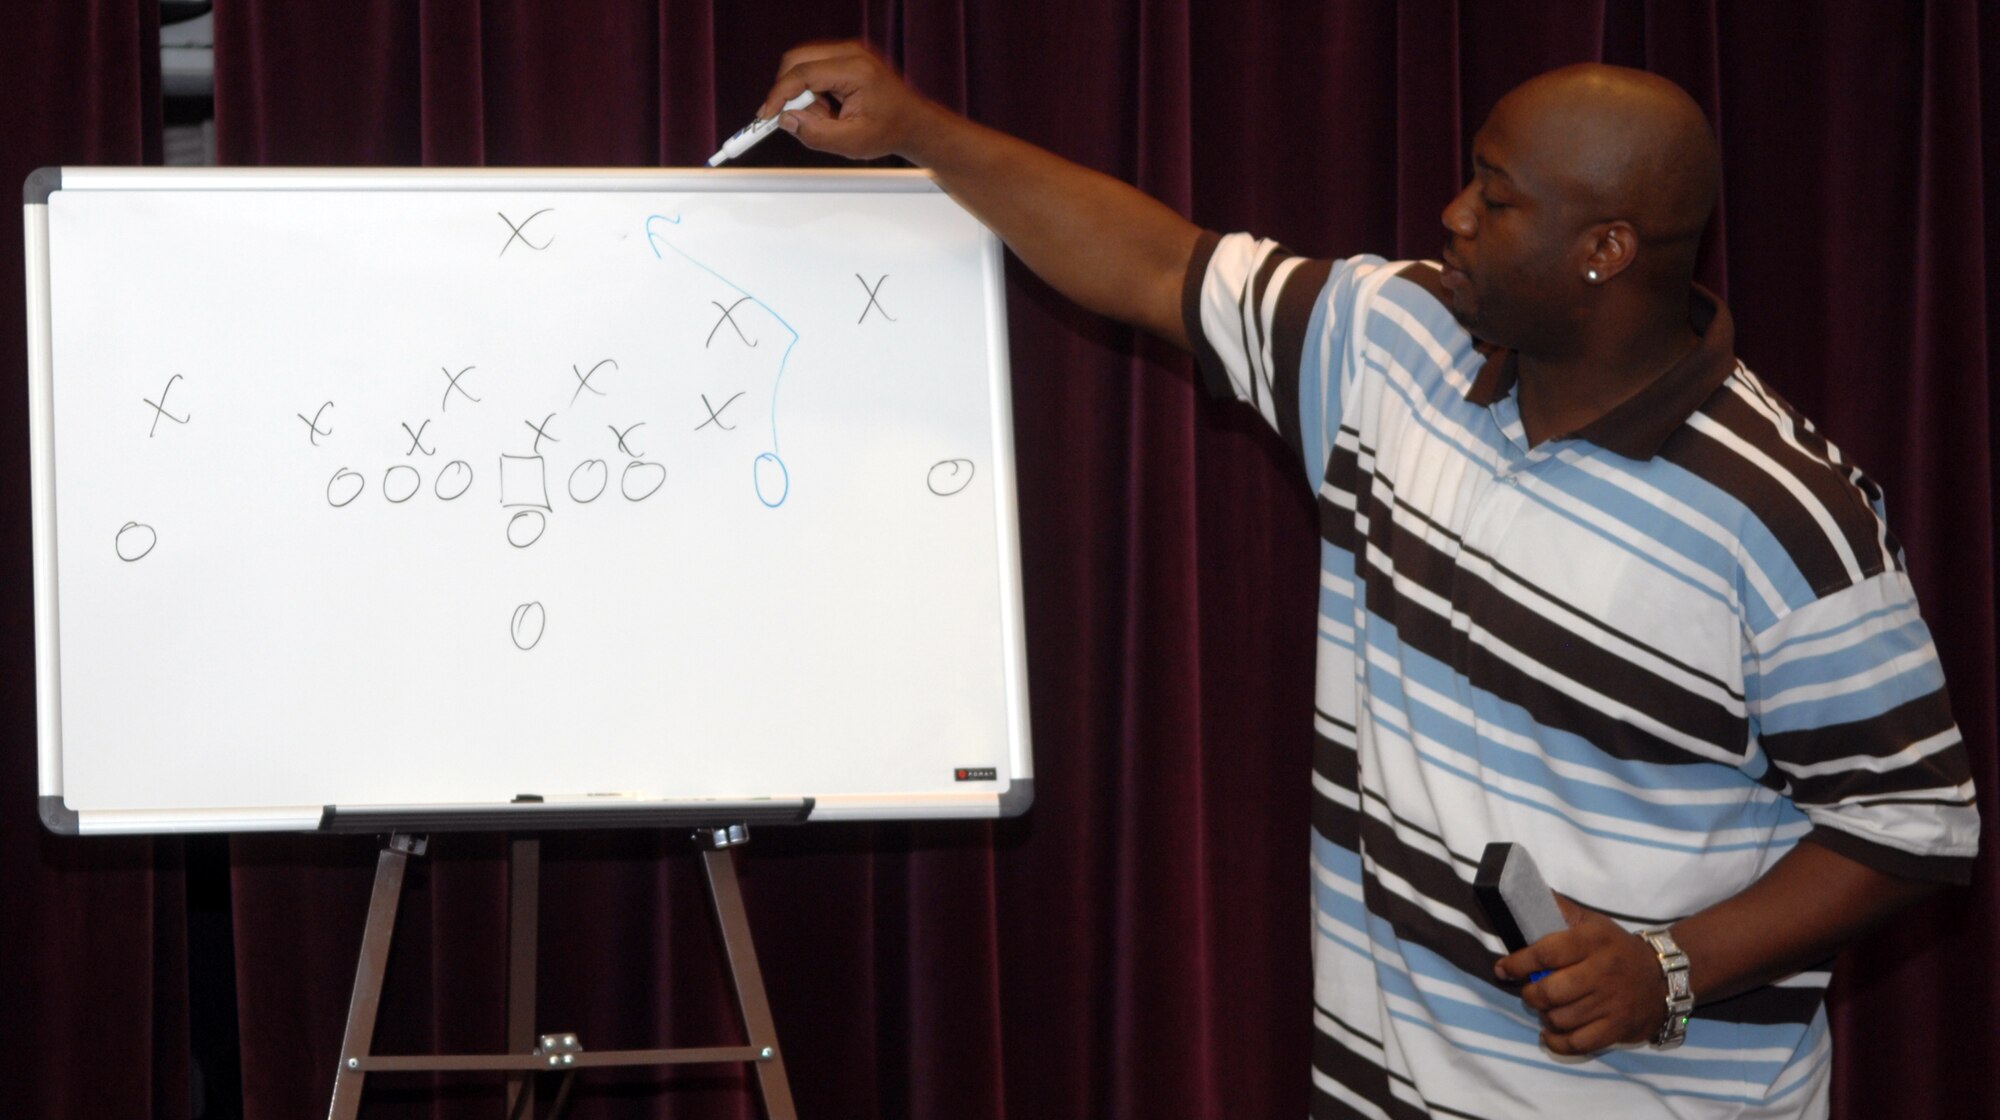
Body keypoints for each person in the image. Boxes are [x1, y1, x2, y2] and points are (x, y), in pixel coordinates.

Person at [755, 42, 1982, 1119]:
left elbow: (1912, 822)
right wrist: (919, 129)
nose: (1450, 214)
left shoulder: (1780, 515)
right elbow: (1151, 266)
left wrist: (1669, 963)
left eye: (1495, 200)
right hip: (1380, 1086)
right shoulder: (1394, 344)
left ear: (1604, 248)